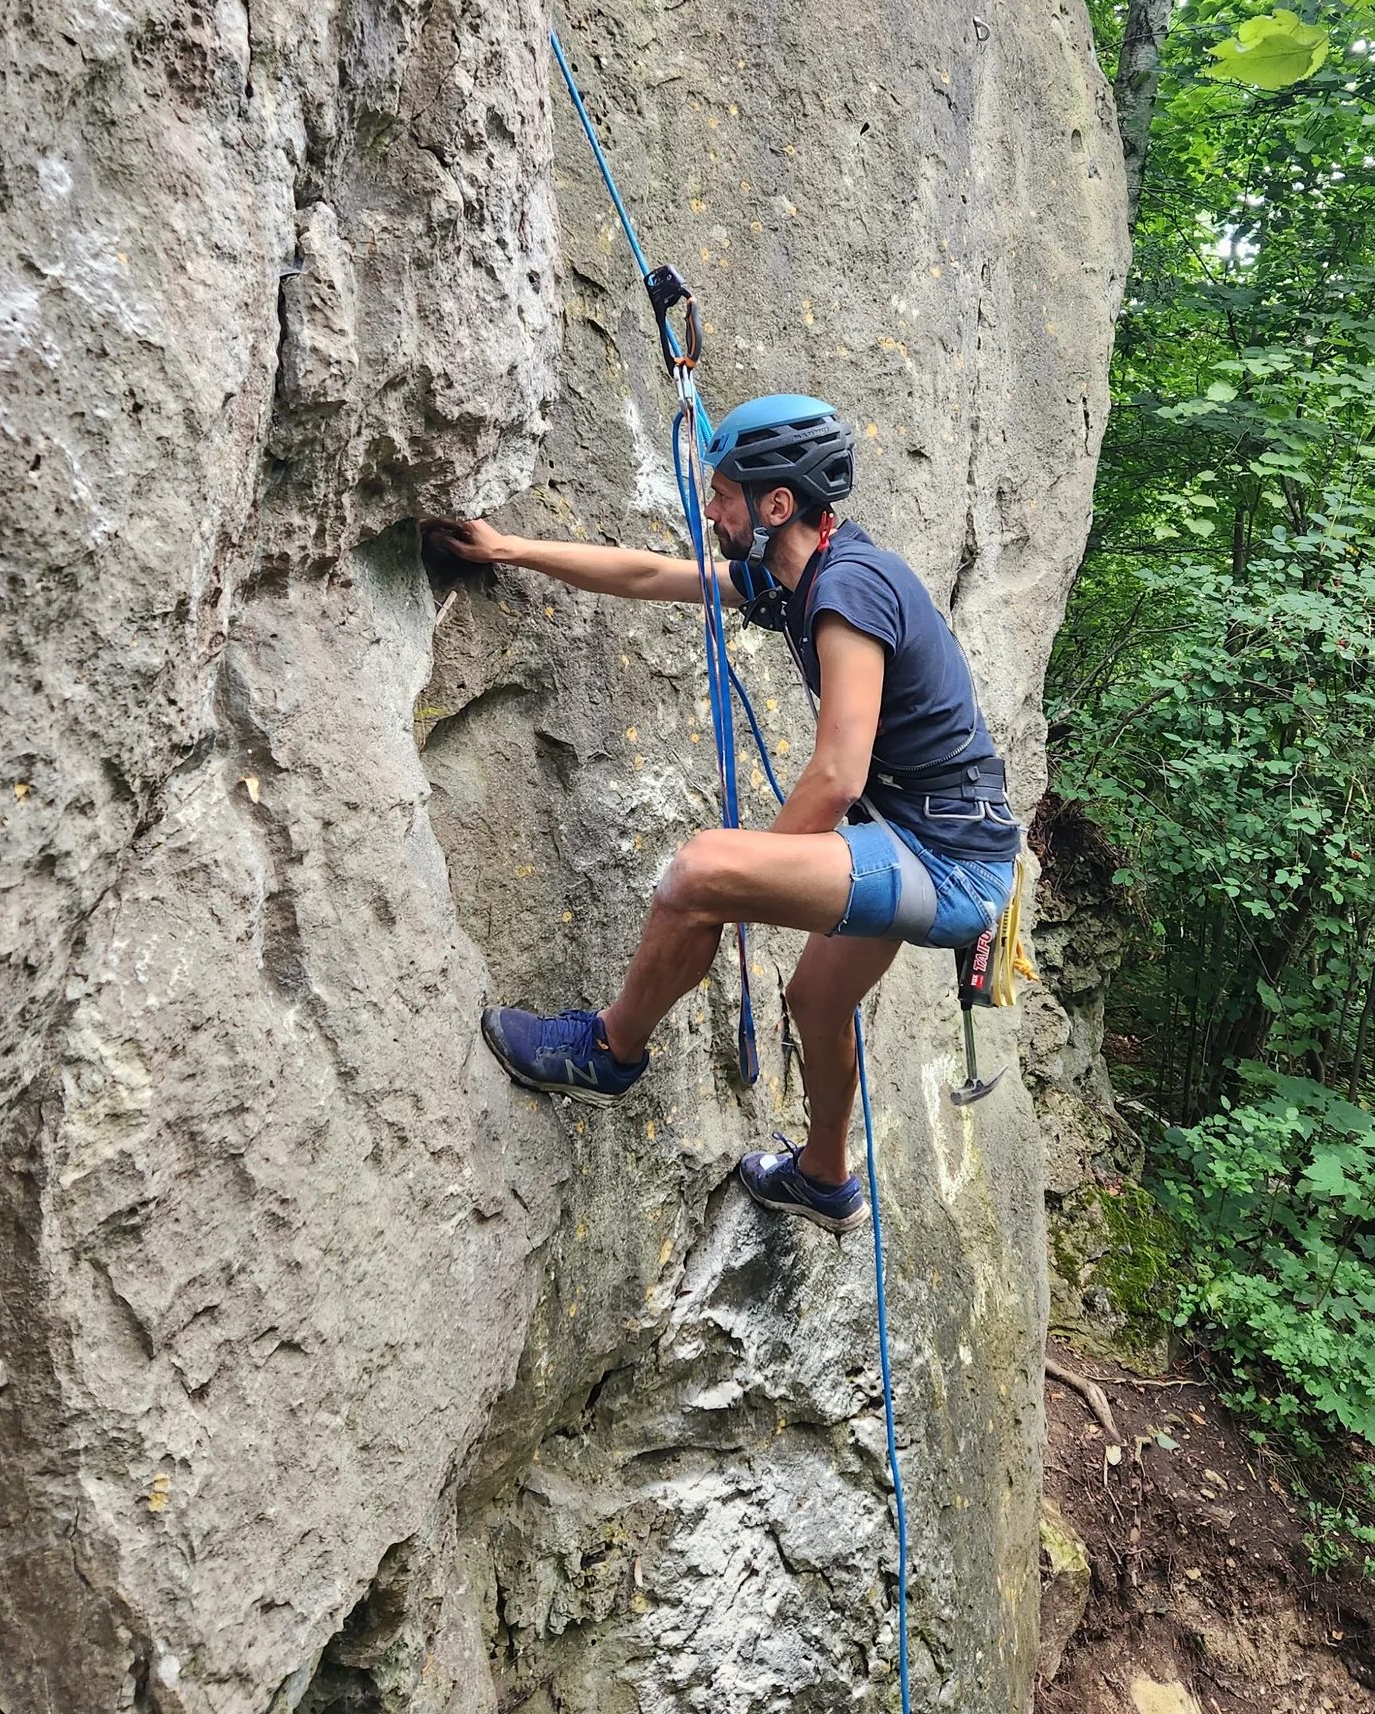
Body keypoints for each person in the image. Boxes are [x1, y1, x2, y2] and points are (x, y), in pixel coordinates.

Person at [426, 395, 1020, 1235]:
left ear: (778, 506)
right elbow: (654, 577)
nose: (709, 507)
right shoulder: (797, 575)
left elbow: (838, 774)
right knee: (816, 1000)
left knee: (700, 873)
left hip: (947, 859)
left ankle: (607, 1051)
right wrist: (511, 548)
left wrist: (746, 875)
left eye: (725, 493)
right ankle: (823, 1177)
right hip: (930, 838)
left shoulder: (848, 588)